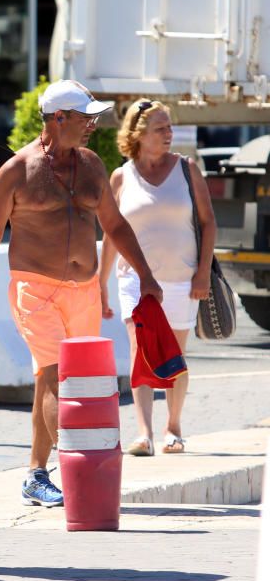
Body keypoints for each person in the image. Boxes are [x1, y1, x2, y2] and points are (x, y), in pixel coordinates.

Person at [0, 80, 163, 507]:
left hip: (84, 290)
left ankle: (36, 473)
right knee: (56, 371)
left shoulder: (92, 165)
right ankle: (81, 469)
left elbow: (114, 226)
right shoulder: (15, 172)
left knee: (64, 379)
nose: (92, 125)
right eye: (84, 117)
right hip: (34, 287)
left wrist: (146, 275)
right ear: (58, 119)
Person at [99, 99, 216, 456]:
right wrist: (100, 283)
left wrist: (203, 273)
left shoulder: (187, 169)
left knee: (176, 353)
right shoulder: (121, 176)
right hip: (134, 279)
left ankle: (173, 427)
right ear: (138, 135)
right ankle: (144, 433)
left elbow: (209, 222)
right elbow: (111, 233)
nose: (169, 135)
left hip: (182, 276)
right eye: (160, 129)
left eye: (169, 127)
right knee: (140, 352)